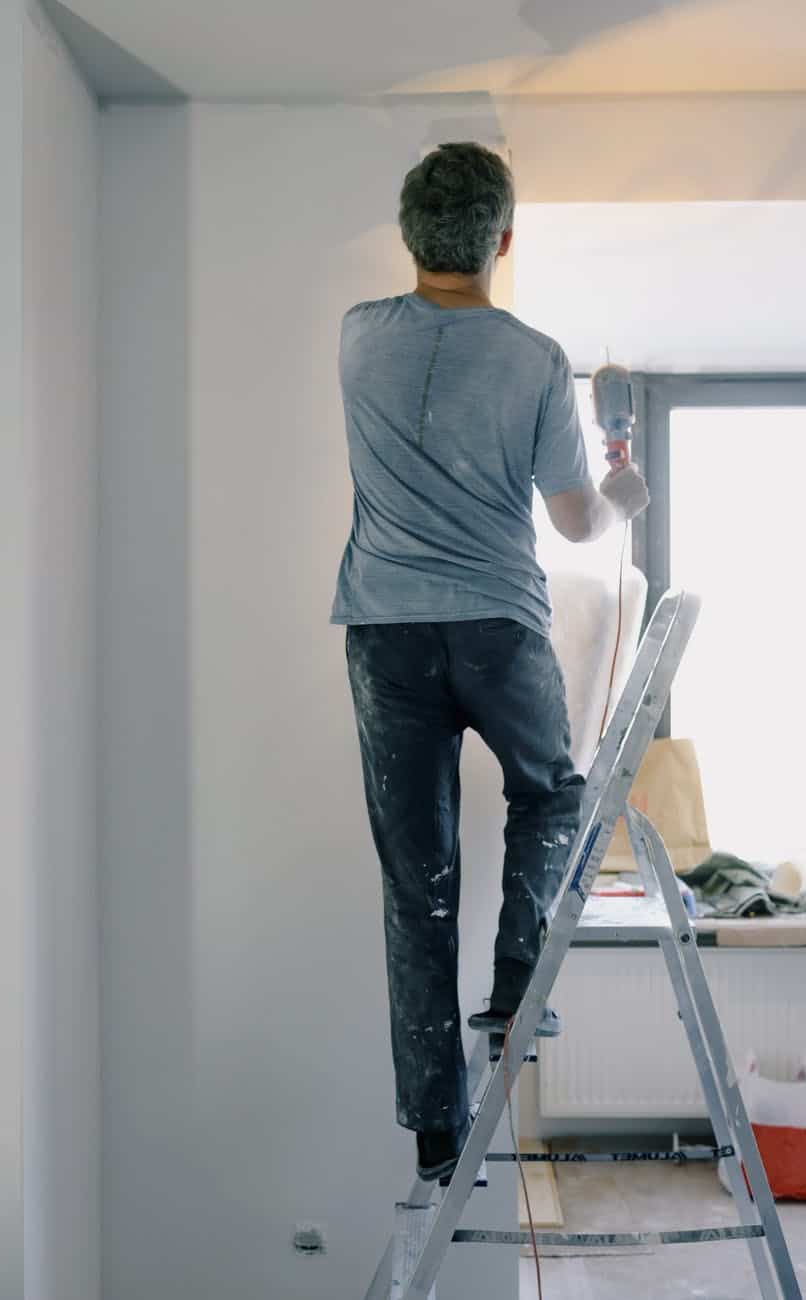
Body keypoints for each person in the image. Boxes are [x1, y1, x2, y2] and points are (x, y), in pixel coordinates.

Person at [331, 142, 649, 1182]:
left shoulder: (357, 338)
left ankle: (433, 1124)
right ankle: (518, 985)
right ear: (501, 241)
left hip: (386, 632)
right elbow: (573, 523)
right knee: (552, 793)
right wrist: (623, 498)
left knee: (416, 878)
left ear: (408, 235)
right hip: (496, 626)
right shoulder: (533, 359)